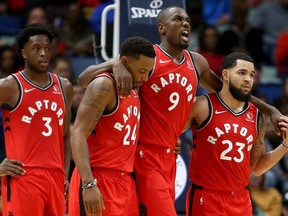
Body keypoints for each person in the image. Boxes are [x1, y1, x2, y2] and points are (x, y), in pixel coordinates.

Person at [77, 7, 282, 216]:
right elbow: (84, 80)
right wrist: (115, 64)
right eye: (177, 19)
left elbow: (228, 91)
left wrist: (268, 108)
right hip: (143, 154)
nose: (185, 23)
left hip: (169, 158)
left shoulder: (196, 62)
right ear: (162, 28)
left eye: (187, 20)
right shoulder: (149, 58)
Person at [184, 52, 288, 216]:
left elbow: (257, 167)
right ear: (225, 74)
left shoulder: (256, 117)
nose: (248, 79)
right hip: (207, 197)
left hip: (241, 200)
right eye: (242, 73)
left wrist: (285, 145)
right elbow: (172, 130)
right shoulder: (202, 105)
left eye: (252, 75)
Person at [68, 36, 155, 216]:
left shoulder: (134, 84)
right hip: (97, 178)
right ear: (125, 62)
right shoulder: (105, 85)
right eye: (142, 71)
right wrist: (88, 183)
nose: (145, 78)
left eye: (149, 72)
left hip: (125, 180)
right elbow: (77, 134)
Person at [0, 24, 72, 215]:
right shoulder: (9, 86)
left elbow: (66, 136)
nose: (43, 53)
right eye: (36, 48)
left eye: (47, 48)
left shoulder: (64, 87)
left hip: (55, 178)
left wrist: (64, 175)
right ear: (24, 53)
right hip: (23, 176)